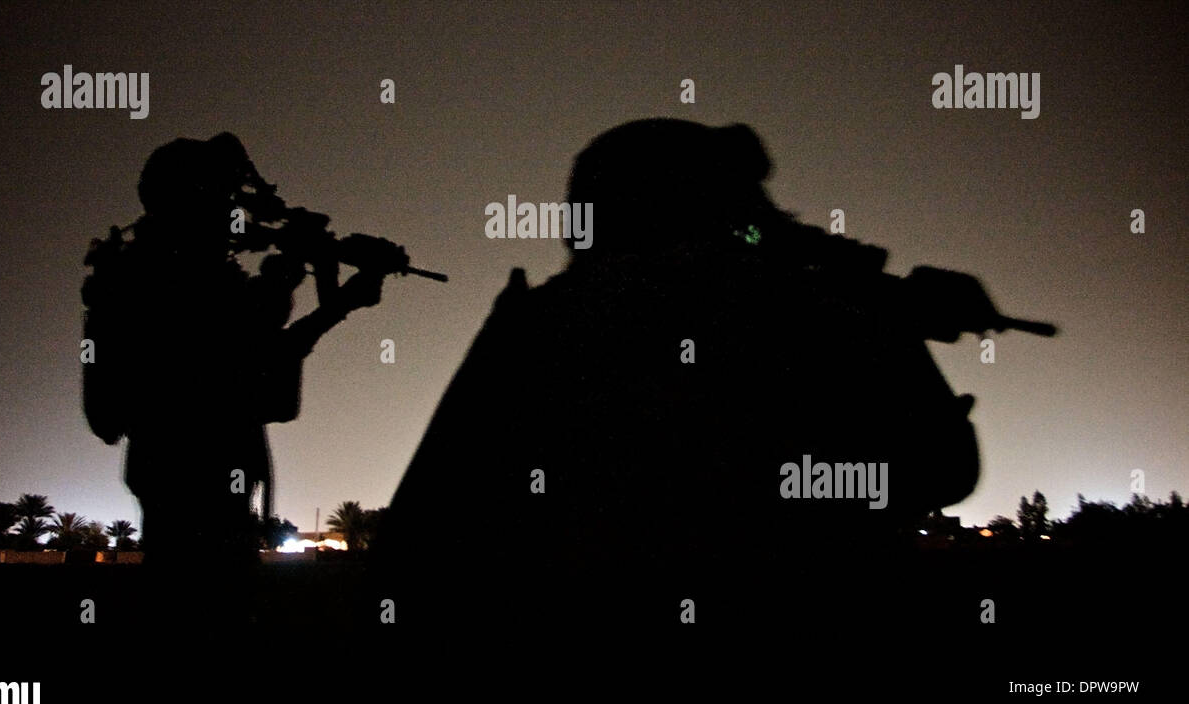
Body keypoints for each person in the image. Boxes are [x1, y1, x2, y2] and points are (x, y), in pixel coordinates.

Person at [372, 118, 983, 635]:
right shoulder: (798, 310)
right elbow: (940, 467)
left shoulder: (540, 323)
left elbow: (419, 540)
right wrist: (885, 315)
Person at [82, 132, 384, 627]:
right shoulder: (162, 283)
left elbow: (252, 359)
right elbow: (248, 368)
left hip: (191, 501)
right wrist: (325, 295)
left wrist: (323, 295)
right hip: (198, 509)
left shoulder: (135, 277)